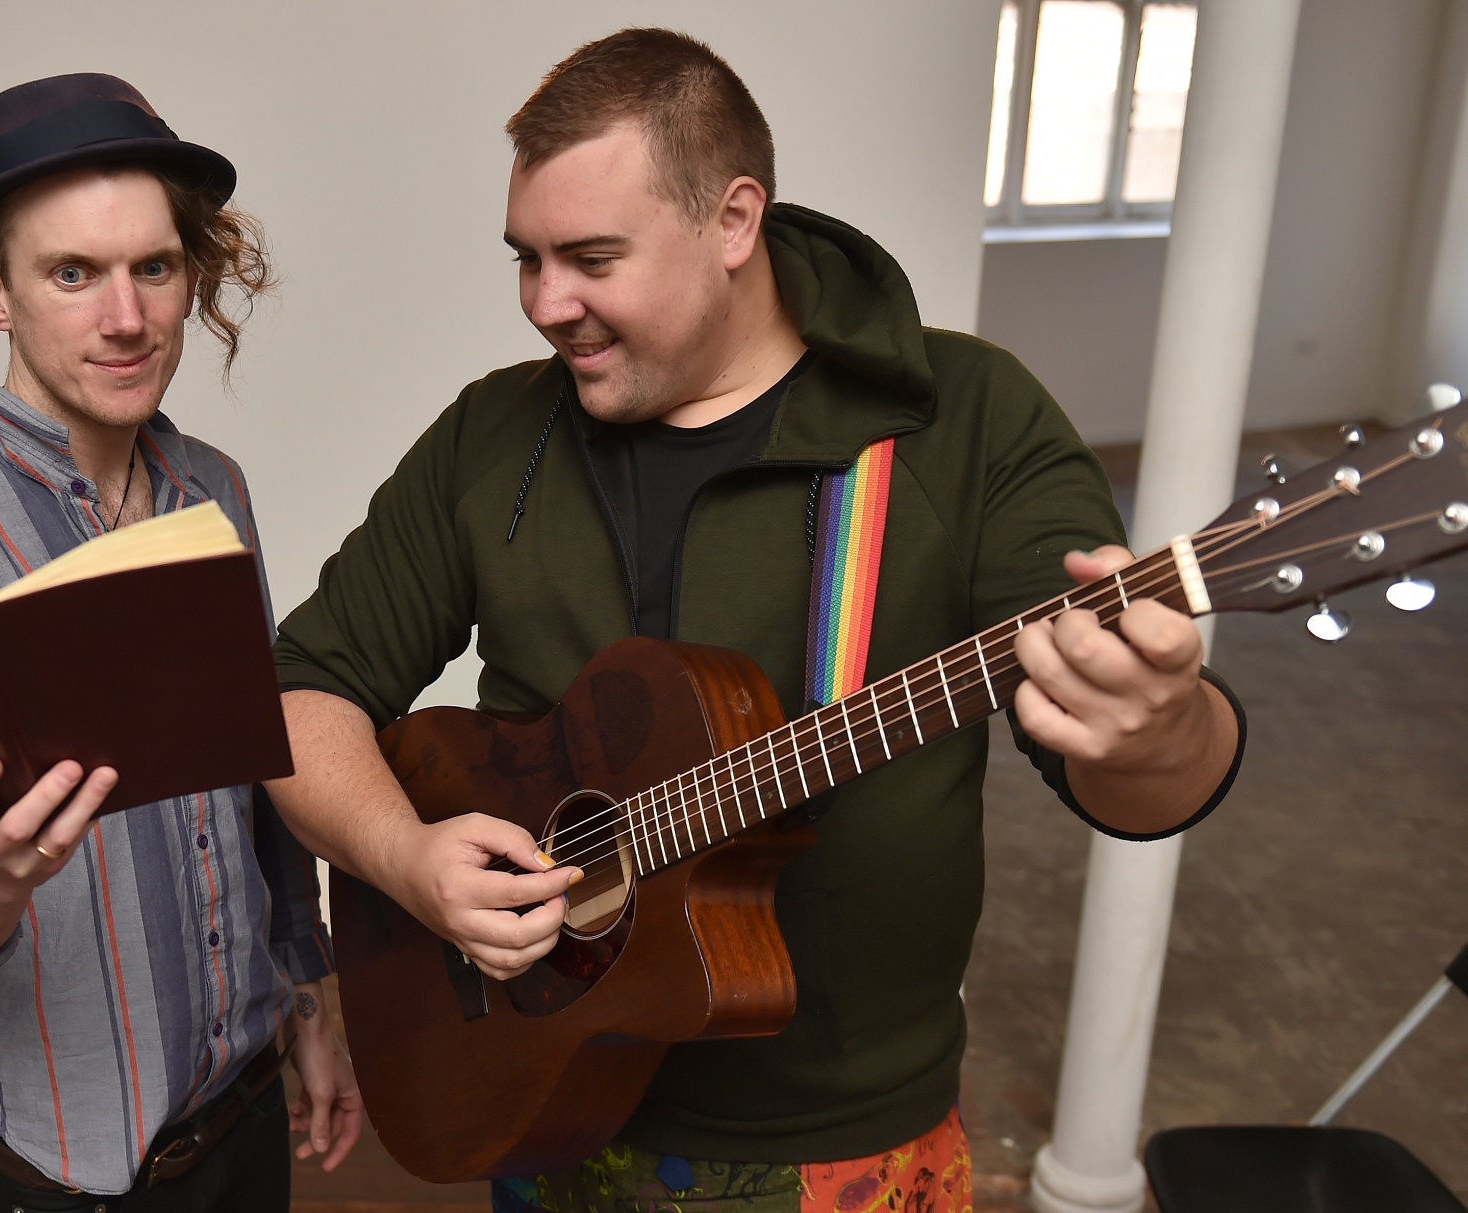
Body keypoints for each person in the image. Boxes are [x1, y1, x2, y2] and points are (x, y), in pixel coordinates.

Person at [265, 30, 1244, 1213]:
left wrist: (1155, 722)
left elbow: (1129, 784)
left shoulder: (966, 421)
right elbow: (298, 691)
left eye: (589, 258)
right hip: (538, 1092)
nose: (544, 303)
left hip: (833, 1148)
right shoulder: (493, 436)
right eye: (525, 259)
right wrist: (404, 859)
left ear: (733, 222)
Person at [0, 74, 361, 1212]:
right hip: (69, 1180)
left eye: (153, 267)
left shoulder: (208, 488)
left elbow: (256, 769)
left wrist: (307, 1002)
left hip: (245, 1114)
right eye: (71, 273)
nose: (124, 317)